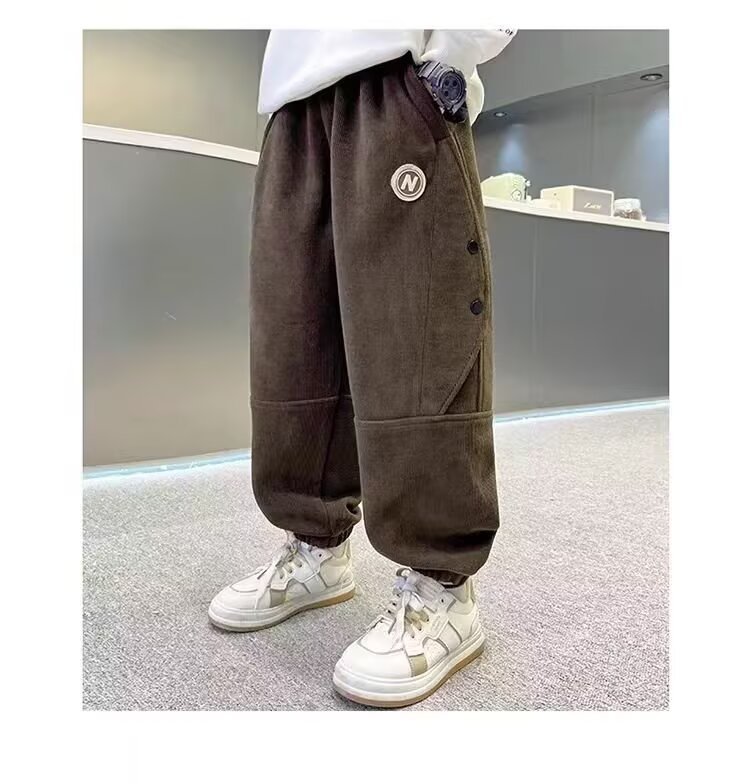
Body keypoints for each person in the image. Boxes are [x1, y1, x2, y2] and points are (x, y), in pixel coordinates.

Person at [209, 29, 516, 708]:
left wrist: (455, 50)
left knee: (417, 335)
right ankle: (315, 543)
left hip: (394, 80)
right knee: (294, 341)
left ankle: (444, 587)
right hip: (293, 101)